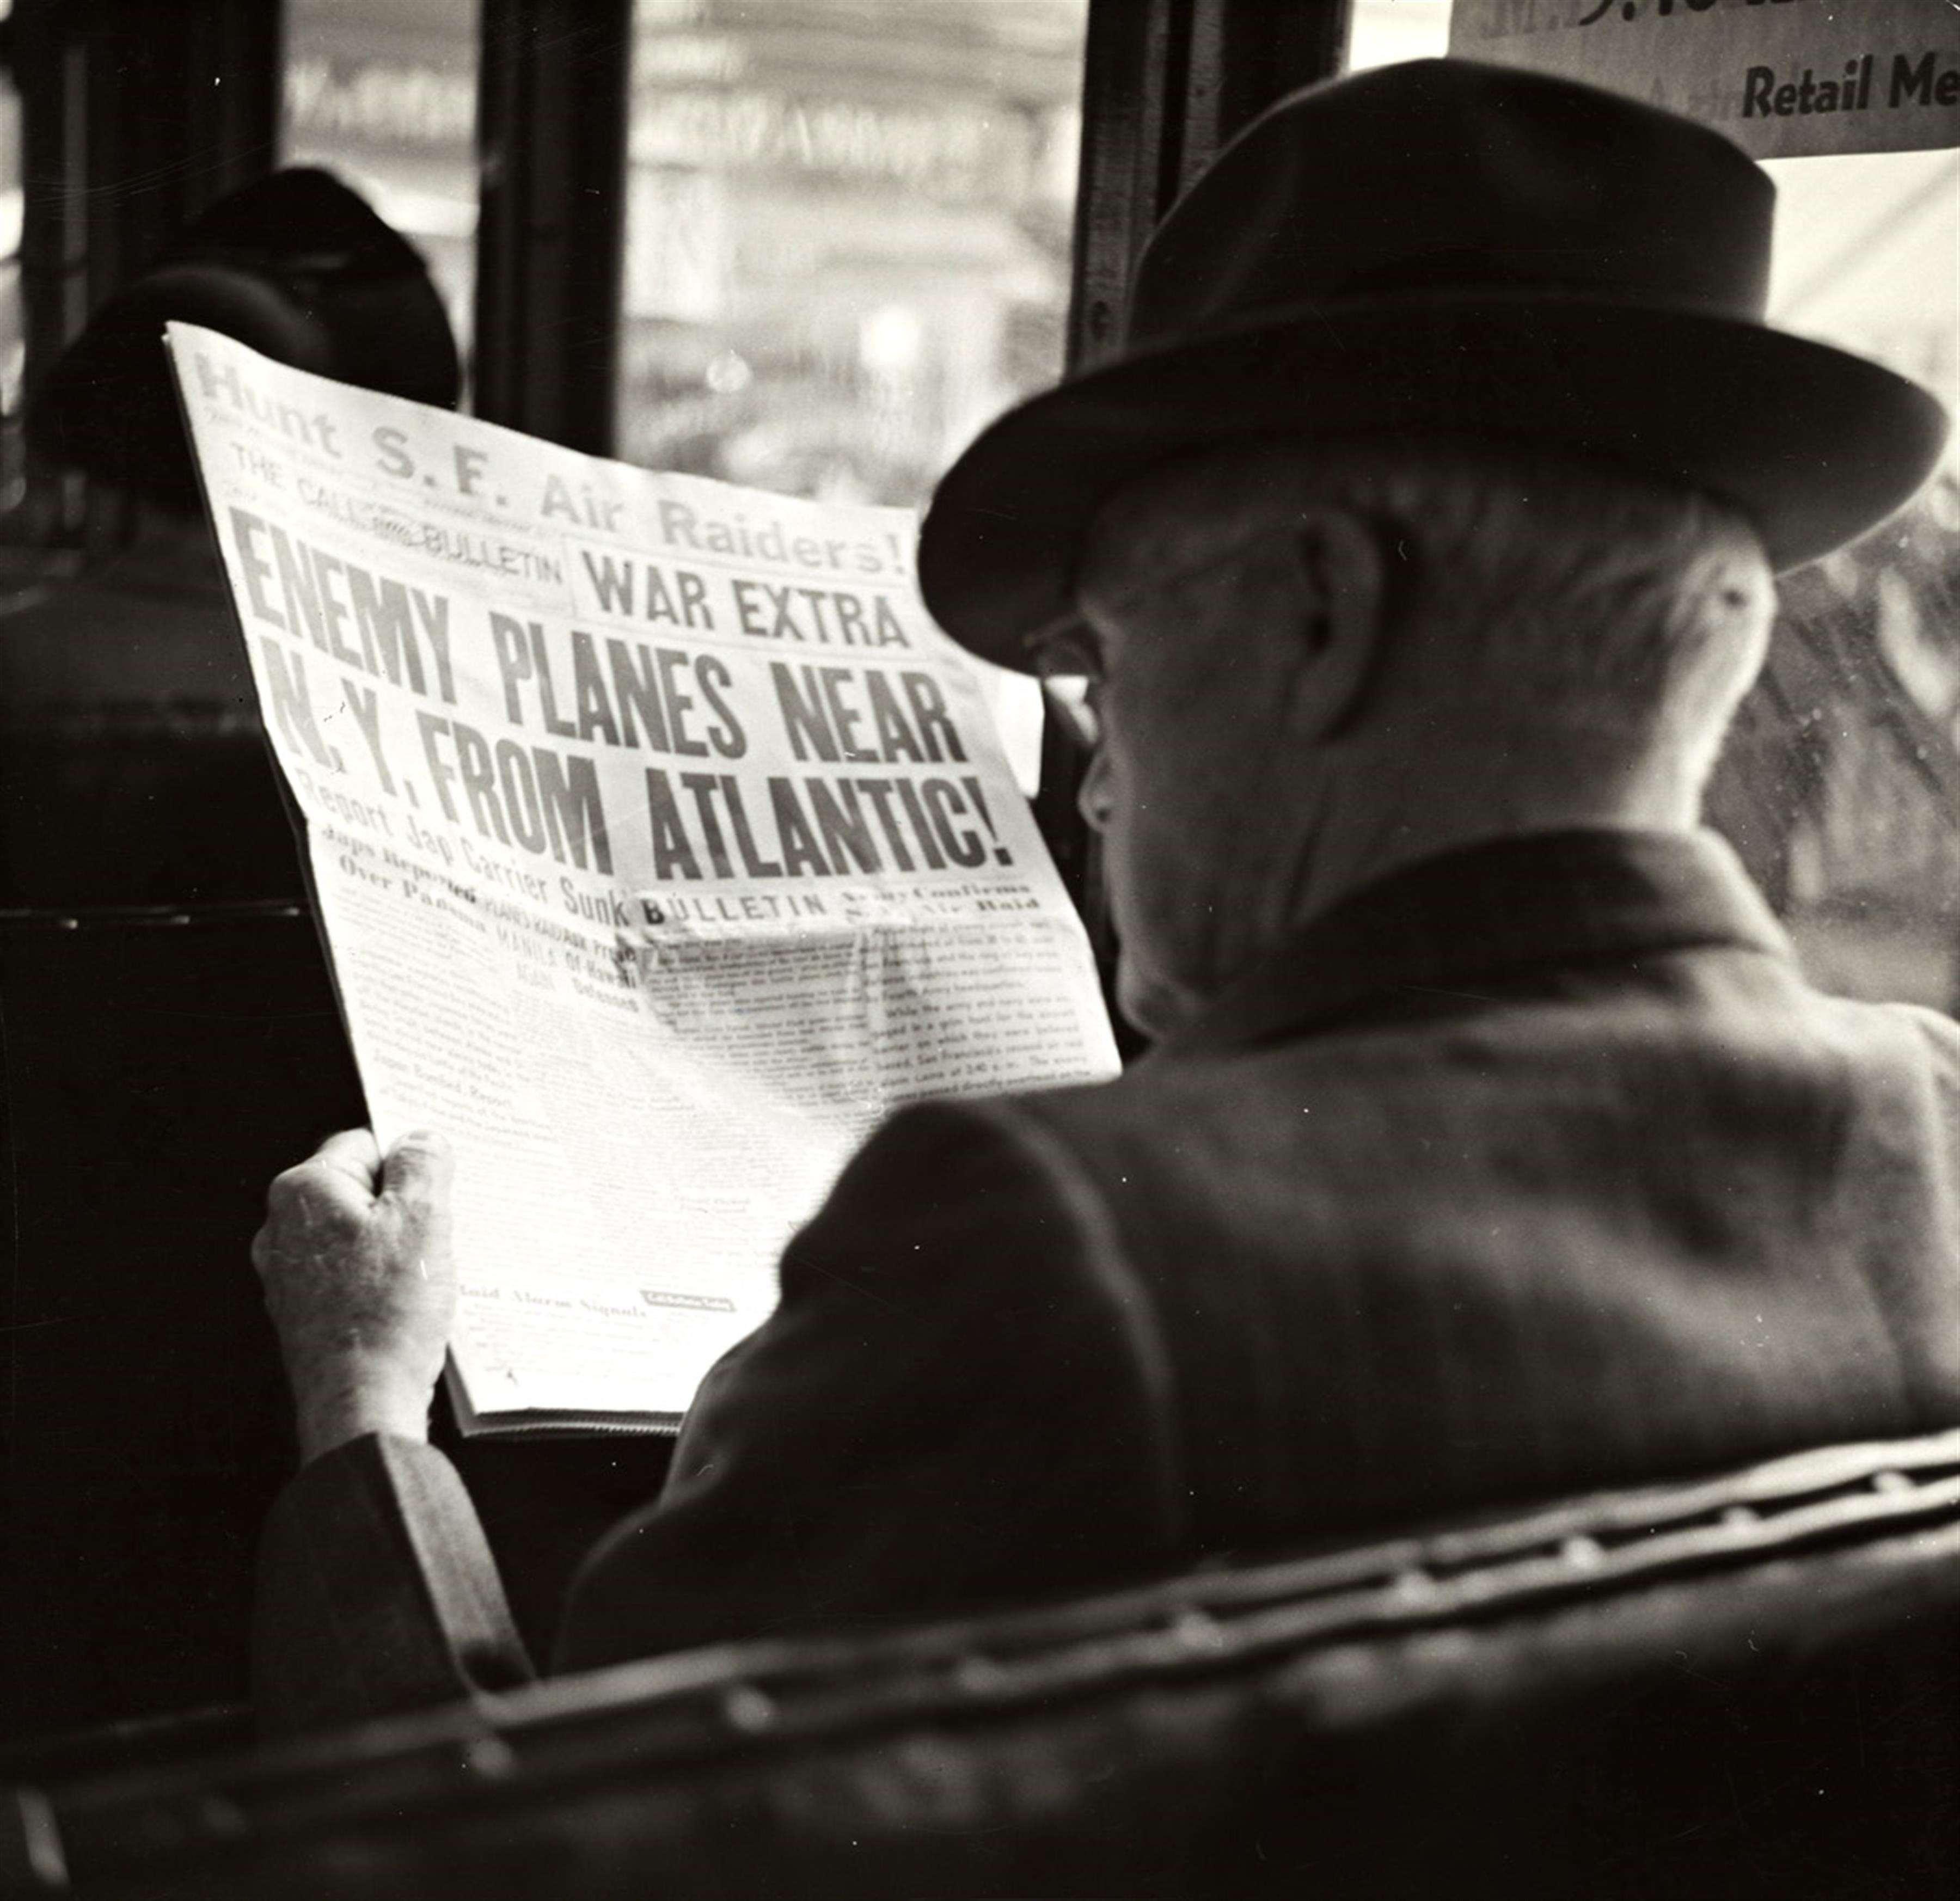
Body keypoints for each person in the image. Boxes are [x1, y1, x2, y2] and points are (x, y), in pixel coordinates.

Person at [248, 60, 1959, 1735]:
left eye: (1105, 658)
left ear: (1321, 614)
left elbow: (503, 1857)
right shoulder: (1936, 1131)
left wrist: (367, 1403)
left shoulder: (1038, 1250)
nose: (1100, 773)